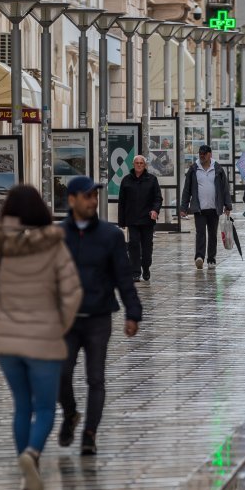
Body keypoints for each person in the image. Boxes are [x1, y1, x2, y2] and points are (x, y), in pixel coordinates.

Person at [0, 185, 83, 490]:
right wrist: (60, 325)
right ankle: (32, 454)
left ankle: (29, 476)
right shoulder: (55, 246)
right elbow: (72, 293)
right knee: (44, 407)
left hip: (7, 340)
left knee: (21, 406)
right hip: (44, 338)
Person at [58, 177, 142, 456]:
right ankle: (70, 413)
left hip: (98, 317)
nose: (93, 201)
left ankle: (90, 434)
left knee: (96, 378)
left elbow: (123, 276)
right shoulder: (57, 235)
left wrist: (133, 312)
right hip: (66, 320)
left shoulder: (110, 235)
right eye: (87, 196)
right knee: (62, 374)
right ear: (72, 200)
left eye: (95, 196)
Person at [180, 145, 232, 269]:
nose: (202, 156)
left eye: (204, 154)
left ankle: (211, 259)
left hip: (214, 208)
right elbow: (187, 189)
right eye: (200, 154)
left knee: (212, 234)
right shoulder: (194, 169)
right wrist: (183, 207)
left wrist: (227, 205)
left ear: (210, 154)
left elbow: (225, 188)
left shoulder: (218, 169)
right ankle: (199, 257)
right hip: (199, 208)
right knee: (200, 233)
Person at [118, 154, 163, 282]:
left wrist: (155, 210)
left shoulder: (152, 180)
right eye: (136, 163)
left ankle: (146, 267)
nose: (139, 165)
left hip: (147, 220)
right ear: (133, 165)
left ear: (145, 165)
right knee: (134, 245)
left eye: (141, 163)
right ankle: (135, 272)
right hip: (132, 219)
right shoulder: (126, 180)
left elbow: (158, 198)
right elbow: (122, 202)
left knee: (147, 247)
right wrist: (121, 221)